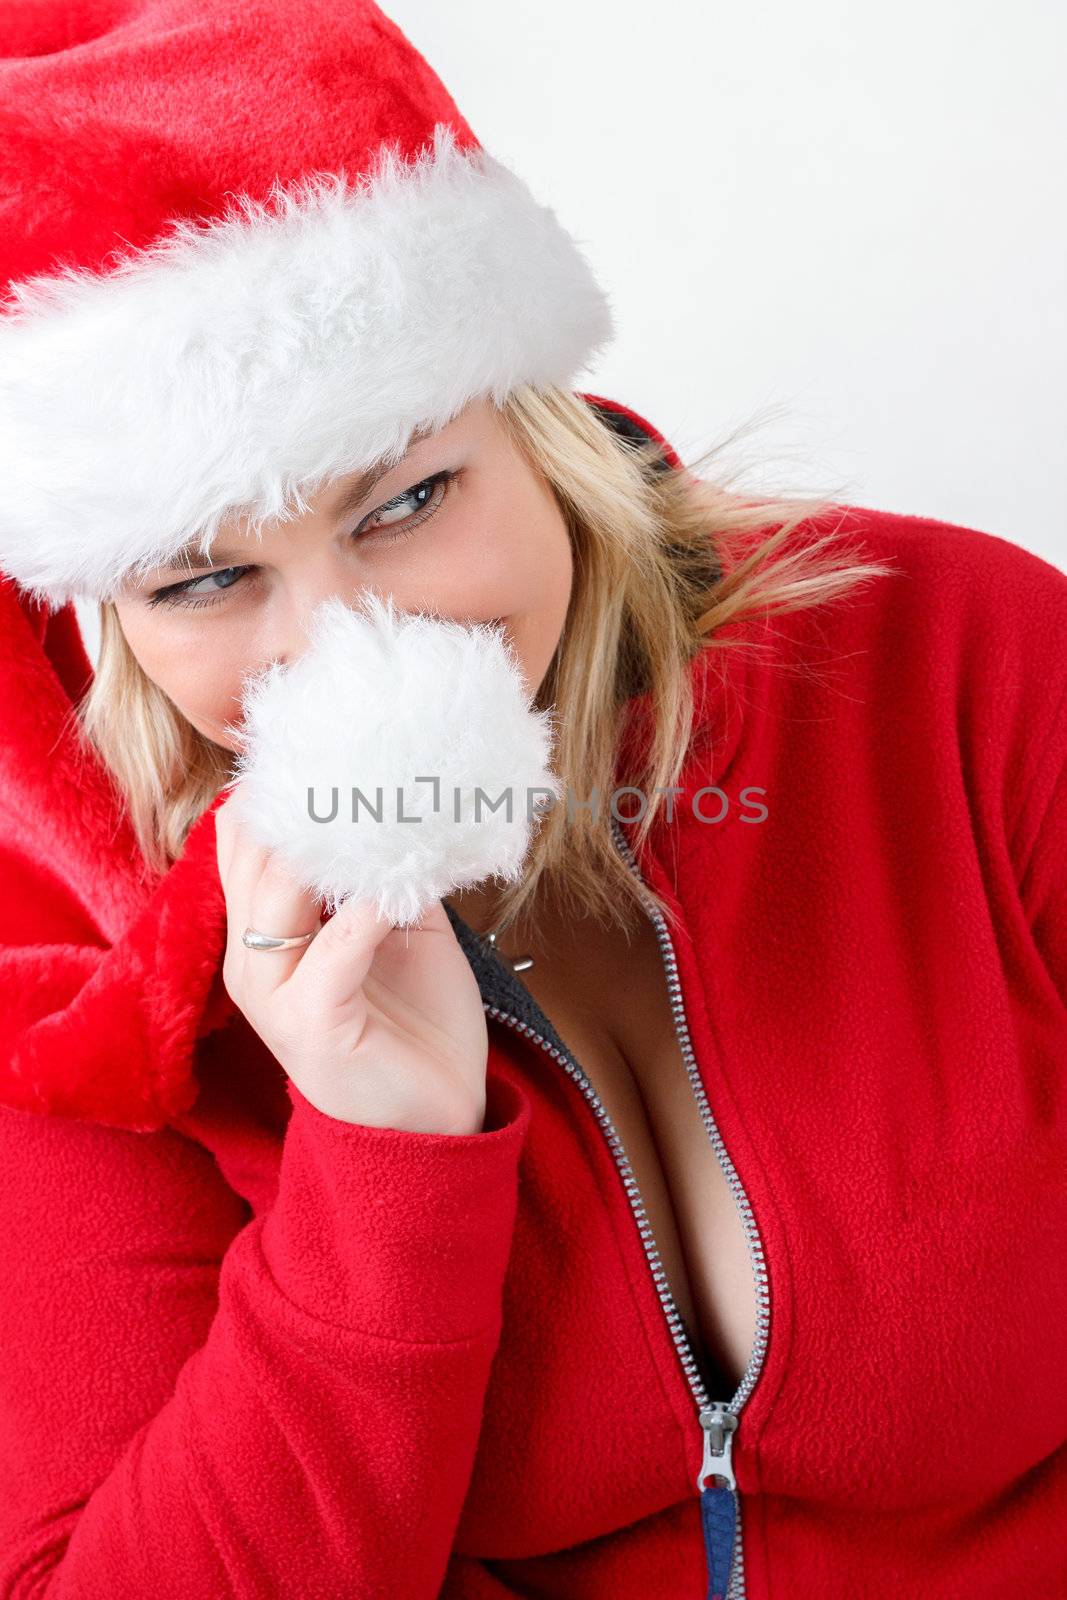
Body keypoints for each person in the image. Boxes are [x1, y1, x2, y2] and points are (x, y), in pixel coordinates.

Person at [0, 2, 1064, 1597]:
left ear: (529, 417)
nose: (345, 640)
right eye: (208, 580)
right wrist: (379, 1145)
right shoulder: (86, 989)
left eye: (410, 500)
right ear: (112, 614)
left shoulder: (963, 666)